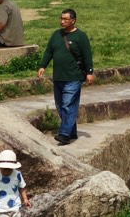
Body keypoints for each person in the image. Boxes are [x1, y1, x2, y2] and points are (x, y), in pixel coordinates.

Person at [37, 8, 94, 145]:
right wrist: (42, 65)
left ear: (73, 20)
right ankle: (71, 130)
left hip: (74, 77)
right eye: (61, 18)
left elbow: (87, 55)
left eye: (65, 19)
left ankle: (64, 134)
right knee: (60, 106)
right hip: (58, 77)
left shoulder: (81, 36)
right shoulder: (56, 35)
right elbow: (49, 51)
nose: (62, 21)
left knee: (68, 104)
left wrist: (90, 72)